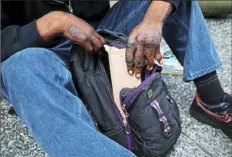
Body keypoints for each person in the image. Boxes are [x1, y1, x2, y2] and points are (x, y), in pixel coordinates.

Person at [1, 0, 231, 157]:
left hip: (98, 37)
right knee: (20, 69)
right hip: (38, 52)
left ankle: (212, 102)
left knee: (166, 3)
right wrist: (54, 23)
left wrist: (153, 20)